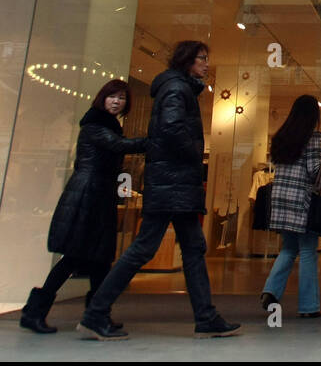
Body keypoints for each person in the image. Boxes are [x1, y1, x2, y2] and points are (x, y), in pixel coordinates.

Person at [78, 41, 241, 339]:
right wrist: (194, 153)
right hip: (172, 182)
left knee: (191, 248)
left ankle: (206, 317)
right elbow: (171, 128)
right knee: (145, 248)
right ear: (187, 61)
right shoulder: (177, 89)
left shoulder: (178, 88)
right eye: (202, 59)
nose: (206, 64)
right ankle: (95, 312)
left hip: (173, 182)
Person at [20, 80, 146, 334]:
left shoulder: (107, 125)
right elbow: (119, 146)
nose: (116, 101)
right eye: (112, 96)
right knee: (75, 257)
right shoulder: (94, 125)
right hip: (88, 196)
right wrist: (153, 140)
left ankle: (96, 316)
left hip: (98, 195)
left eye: (121, 98)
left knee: (100, 259)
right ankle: (37, 312)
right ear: (102, 98)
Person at [259, 95, 321, 318]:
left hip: (281, 197)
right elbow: (315, 170)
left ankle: (270, 291)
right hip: (302, 200)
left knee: (288, 248)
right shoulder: (313, 137)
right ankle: (308, 306)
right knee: (307, 251)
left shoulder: (281, 137)